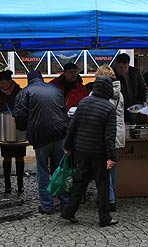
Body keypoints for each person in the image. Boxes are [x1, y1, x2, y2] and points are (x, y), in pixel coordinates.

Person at [60, 75, 119, 227]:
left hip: (81, 150)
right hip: (99, 153)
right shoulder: (109, 108)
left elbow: (72, 127)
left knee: (80, 181)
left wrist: (67, 146)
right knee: (103, 184)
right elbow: (109, 137)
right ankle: (104, 218)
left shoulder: (84, 102)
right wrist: (112, 157)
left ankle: (68, 211)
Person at [13, 70, 69, 214]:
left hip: (41, 137)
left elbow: (19, 116)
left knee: (43, 171)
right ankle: (65, 203)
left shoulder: (25, 92)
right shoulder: (55, 89)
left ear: (28, 80)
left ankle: (47, 206)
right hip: (60, 134)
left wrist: (24, 128)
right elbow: (62, 109)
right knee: (60, 171)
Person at [95, 64, 125, 212]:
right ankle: (111, 196)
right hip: (118, 133)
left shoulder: (100, 94)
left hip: (104, 134)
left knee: (103, 169)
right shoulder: (119, 93)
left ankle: (109, 199)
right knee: (112, 167)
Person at [0, 70, 24, 194]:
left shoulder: (19, 92)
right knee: (6, 157)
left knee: (20, 157)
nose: (2, 86)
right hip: (3, 127)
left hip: (18, 128)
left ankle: (20, 184)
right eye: (0, 83)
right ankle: (7, 184)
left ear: (10, 82)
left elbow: (23, 108)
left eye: (4, 83)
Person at [112, 53, 148, 122]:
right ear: (116, 65)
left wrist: (145, 101)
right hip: (120, 111)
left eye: (125, 67)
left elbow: (143, 88)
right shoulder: (113, 76)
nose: (123, 70)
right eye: (120, 67)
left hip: (135, 109)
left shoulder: (135, 73)